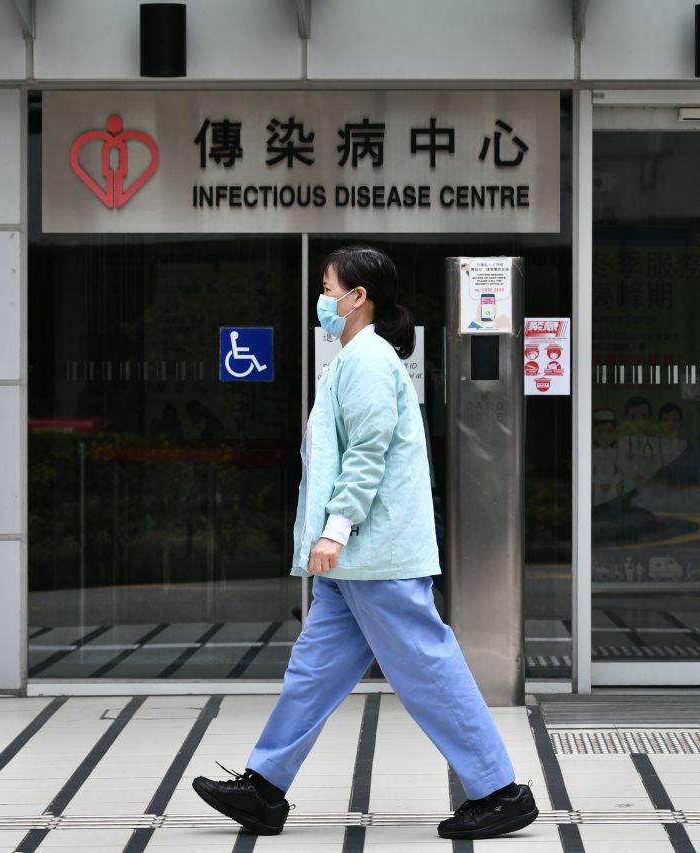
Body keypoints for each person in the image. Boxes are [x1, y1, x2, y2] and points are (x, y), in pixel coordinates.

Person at [192, 246, 537, 841]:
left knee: (427, 668)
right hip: (359, 560)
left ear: (358, 298)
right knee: (314, 670)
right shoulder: (354, 358)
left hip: (376, 554)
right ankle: (265, 787)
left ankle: (499, 790)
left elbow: (366, 454)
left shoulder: (369, 359)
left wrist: (335, 528)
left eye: (328, 288)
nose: (322, 300)